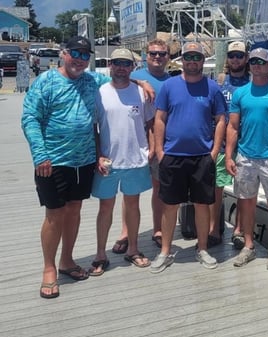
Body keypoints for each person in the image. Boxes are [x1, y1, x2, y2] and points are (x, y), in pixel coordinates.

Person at [21, 36, 111, 299]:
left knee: (74, 209)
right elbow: (30, 118)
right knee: (54, 214)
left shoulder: (92, 80)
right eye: (76, 53)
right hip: (52, 161)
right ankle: (49, 268)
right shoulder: (46, 82)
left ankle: (67, 260)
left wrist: (141, 82)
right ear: (63, 53)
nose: (80, 60)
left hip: (83, 161)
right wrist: (40, 155)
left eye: (86, 55)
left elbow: (119, 81)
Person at [150, 41, 226, 273]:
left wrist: (214, 152)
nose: (192, 61)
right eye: (188, 57)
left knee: (202, 205)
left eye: (197, 57)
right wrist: (161, 152)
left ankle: (201, 248)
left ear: (203, 61)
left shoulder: (212, 87)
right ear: (181, 60)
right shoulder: (169, 86)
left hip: (202, 156)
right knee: (170, 205)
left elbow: (221, 119)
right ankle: (165, 251)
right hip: (172, 156)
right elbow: (159, 119)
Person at [225, 48, 268, 270]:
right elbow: (233, 126)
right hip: (245, 156)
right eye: (253, 61)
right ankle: (249, 245)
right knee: (246, 202)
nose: (256, 65)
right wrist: (229, 156)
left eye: (261, 62)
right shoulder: (240, 93)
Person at [89, 48, 154, 276]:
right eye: (117, 62)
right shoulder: (99, 92)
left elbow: (150, 123)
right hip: (108, 161)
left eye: (126, 63)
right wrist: (98, 154)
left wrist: (152, 149)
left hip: (136, 159)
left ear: (132, 67)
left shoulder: (141, 92)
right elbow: (94, 129)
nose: (121, 67)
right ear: (110, 65)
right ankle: (100, 254)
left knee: (133, 205)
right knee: (105, 207)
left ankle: (133, 249)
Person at [110, 38, 171, 254]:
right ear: (145, 56)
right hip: (134, 142)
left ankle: (157, 229)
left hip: (162, 143)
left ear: (168, 58)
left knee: (159, 188)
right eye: (153, 53)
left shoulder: (172, 81)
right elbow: (116, 80)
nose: (157, 57)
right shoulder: (134, 76)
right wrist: (141, 83)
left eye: (162, 54)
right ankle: (125, 232)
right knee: (130, 192)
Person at [208, 40, 250, 249]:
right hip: (222, 144)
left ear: (246, 58)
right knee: (218, 188)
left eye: (239, 56)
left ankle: (239, 230)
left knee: (243, 189)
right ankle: (214, 228)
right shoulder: (220, 80)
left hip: (245, 144)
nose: (235, 59)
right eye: (232, 55)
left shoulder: (252, 82)